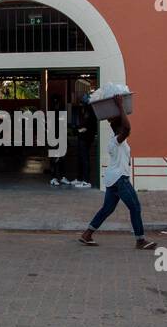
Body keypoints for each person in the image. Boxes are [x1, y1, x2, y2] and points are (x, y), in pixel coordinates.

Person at [78, 106, 157, 250]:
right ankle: (140, 240)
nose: (125, 129)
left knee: (107, 209)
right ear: (119, 130)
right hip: (120, 179)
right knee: (135, 208)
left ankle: (87, 234)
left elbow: (124, 127)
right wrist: (120, 106)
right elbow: (127, 128)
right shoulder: (116, 141)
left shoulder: (116, 141)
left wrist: (116, 116)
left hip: (112, 179)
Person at [70, 95, 96, 188]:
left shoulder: (91, 112)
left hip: (86, 138)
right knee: (80, 158)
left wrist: (79, 130)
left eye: (82, 102)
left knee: (84, 159)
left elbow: (89, 127)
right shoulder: (85, 111)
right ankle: (80, 178)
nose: (81, 104)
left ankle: (86, 180)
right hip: (82, 137)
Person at [48, 94, 68, 186]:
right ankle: (53, 178)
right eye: (56, 103)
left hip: (61, 136)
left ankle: (62, 177)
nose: (57, 105)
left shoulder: (61, 112)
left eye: (58, 103)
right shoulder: (51, 113)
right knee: (54, 159)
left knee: (62, 158)